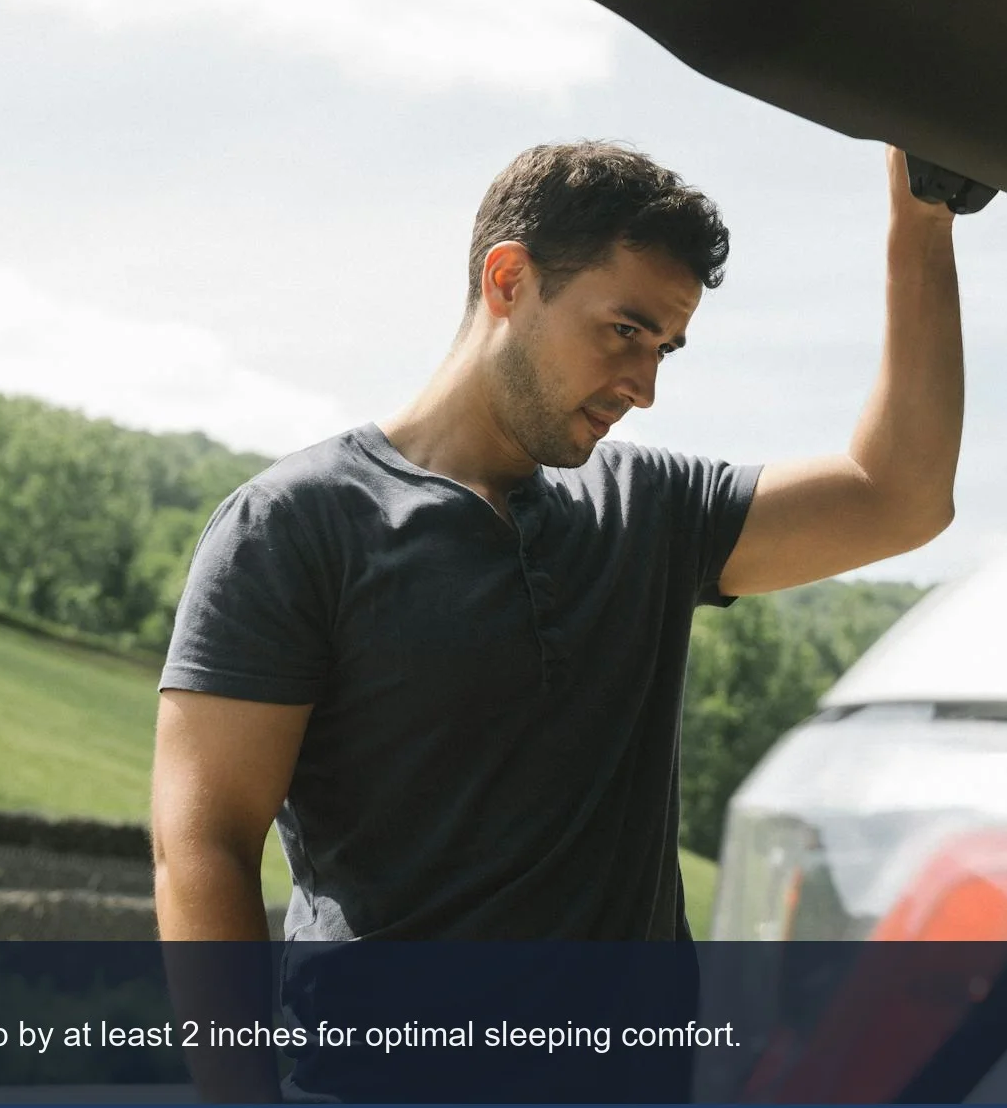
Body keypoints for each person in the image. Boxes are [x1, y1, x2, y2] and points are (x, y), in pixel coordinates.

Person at [151, 141, 963, 945]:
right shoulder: (293, 525)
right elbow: (202, 848)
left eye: (663, 349)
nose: (645, 387)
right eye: (624, 331)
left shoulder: (655, 509)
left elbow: (898, 497)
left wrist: (920, 219)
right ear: (508, 280)